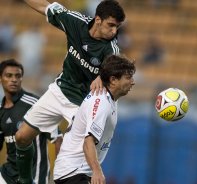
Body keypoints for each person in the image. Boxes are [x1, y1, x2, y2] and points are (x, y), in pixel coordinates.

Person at [14, 0, 125, 183]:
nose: (114, 31)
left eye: (117, 27)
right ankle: (25, 181)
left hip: (81, 105)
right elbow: (44, 6)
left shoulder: (110, 47)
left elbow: (117, 67)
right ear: (98, 19)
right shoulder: (75, 21)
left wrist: (104, 75)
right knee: (22, 137)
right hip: (59, 90)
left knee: (66, 152)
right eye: (110, 25)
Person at [53, 55, 135, 184]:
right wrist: (97, 171)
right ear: (113, 80)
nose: (132, 82)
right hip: (74, 172)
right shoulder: (101, 102)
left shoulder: (110, 98)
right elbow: (88, 141)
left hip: (77, 172)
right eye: (128, 77)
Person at [0, 59, 62, 184]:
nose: (14, 79)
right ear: (0, 78)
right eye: (9, 75)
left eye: (18, 76)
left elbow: (58, 138)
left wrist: (61, 174)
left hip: (35, 174)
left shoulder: (36, 105)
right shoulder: (1, 111)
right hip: (8, 174)